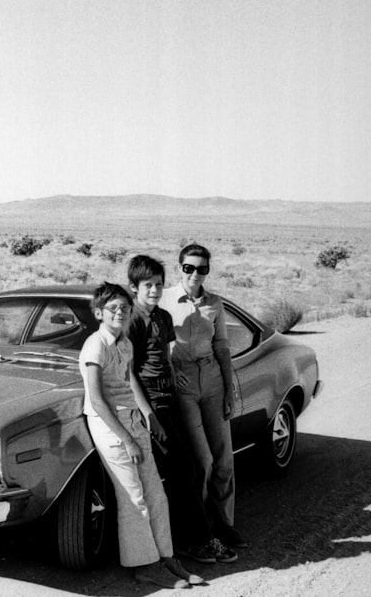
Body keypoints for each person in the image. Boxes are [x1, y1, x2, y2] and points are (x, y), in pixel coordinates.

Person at [80, 282, 203, 588]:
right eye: (113, 308)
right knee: (133, 498)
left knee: (156, 495)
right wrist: (128, 439)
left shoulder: (124, 343)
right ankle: (145, 565)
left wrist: (147, 419)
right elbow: (97, 400)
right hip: (110, 427)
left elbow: (128, 384)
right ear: (99, 313)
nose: (120, 312)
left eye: (124, 307)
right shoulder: (95, 346)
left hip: (133, 421)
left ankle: (166, 558)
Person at [127, 255, 238, 564]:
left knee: (187, 470)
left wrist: (173, 377)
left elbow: (165, 352)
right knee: (184, 472)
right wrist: (149, 416)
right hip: (152, 404)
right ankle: (197, 541)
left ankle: (199, 538)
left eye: (158, 285)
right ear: (134, 287)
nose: (154, 290)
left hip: (171, 397)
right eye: (148, 286)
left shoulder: (161, 316)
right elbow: (129, 371)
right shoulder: (131, 319)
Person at [160, 243, 248, 550]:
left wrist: (228, 391)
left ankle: (224, 525)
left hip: (211, 380)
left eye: (202, 269)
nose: (195, 274)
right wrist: (171, 370)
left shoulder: (215, 303)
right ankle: (200, 530)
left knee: (224, 459)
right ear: (180, 267)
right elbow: (155, 340)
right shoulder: (165, 298)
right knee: (203, 460)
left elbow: (222, 346)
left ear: (207, 270)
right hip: (183, 384)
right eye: (189, 268)